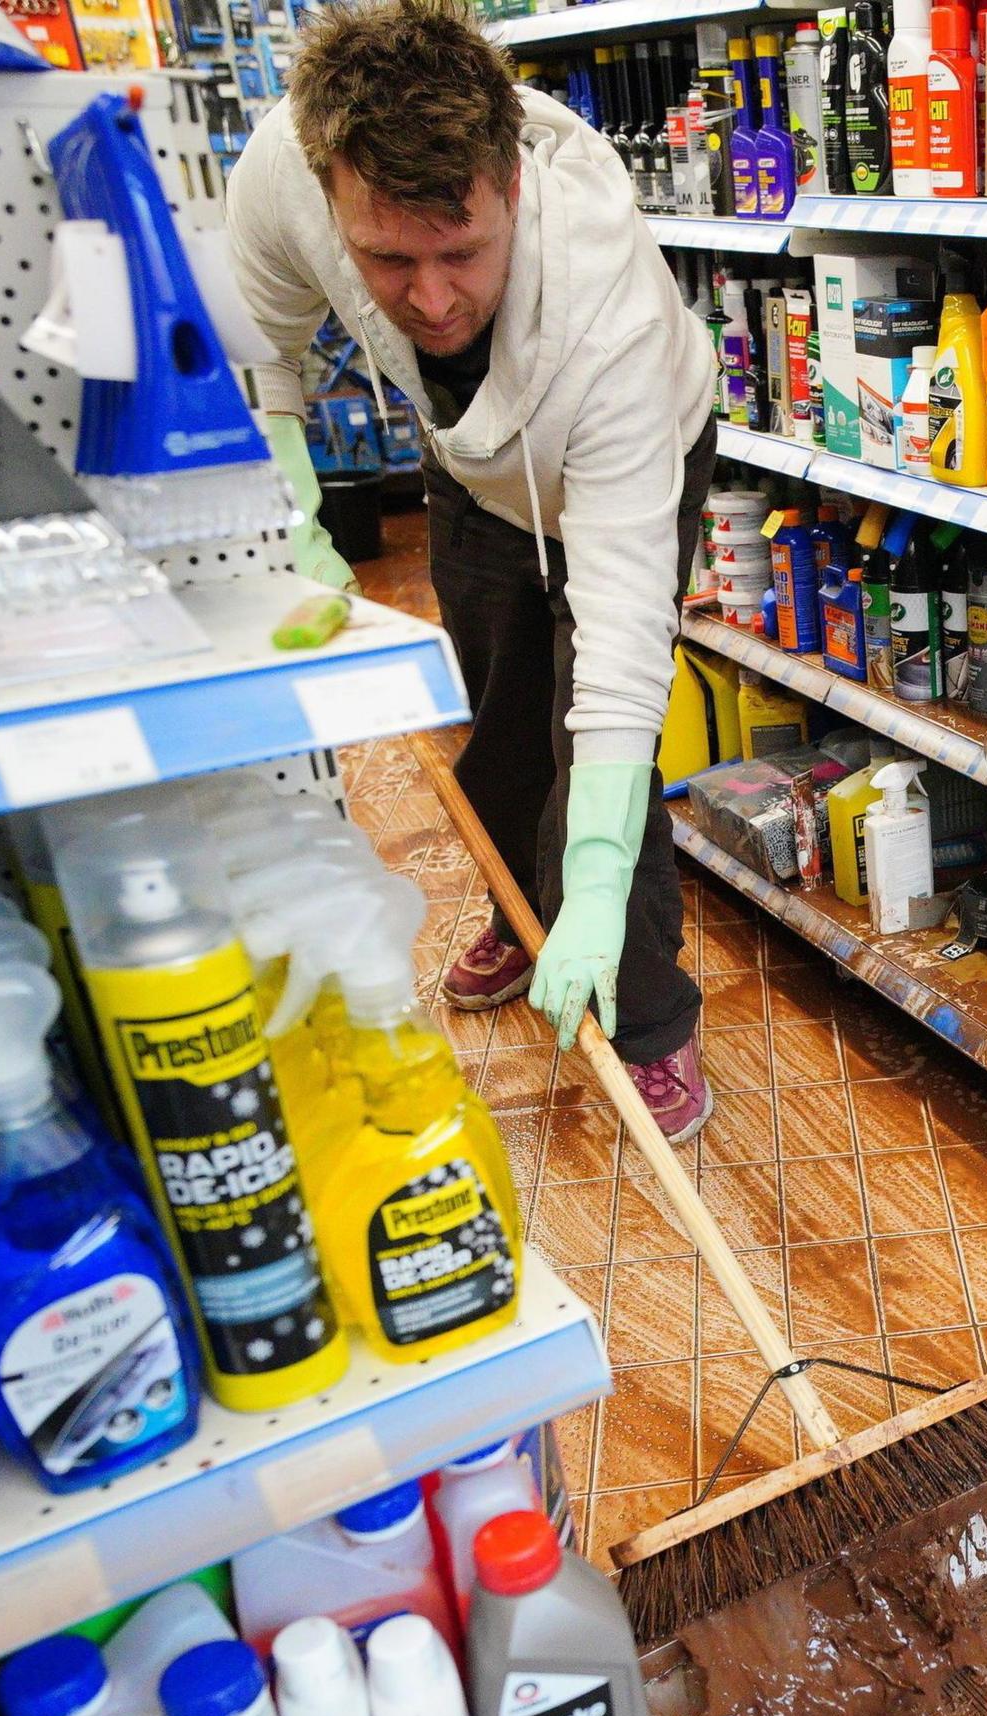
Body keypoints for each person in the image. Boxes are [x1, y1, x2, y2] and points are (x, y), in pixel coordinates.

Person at [226, 0, 718, 1136]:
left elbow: (618, 661)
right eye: (388, 260)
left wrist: (592, 872)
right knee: (495, 705)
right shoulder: (278, 173)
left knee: (589, 744)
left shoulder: (612, 325)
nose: (432, 300)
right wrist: (285, 488)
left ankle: (644, 1014)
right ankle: (521, 909)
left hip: (621, 458)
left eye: (462, 254)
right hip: (471, 461)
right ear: (327, 191)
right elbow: (264, 338)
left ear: (510, 183)